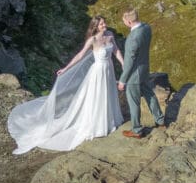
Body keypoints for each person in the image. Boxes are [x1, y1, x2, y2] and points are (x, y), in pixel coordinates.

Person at [7, 15, 125, 154]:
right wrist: (65, 68)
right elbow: (80, 56)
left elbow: (116, 51)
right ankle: (97, 125)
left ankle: (109, 120)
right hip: (98, 72)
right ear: (95, 26)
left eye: (104, 22)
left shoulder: (110, 35)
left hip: (109, 70)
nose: (104, 25)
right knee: (97, 97)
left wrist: (124, 64)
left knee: (107, 95)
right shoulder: (92, 40)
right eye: (101, 24)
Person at [118, 8, 165, 138]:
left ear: (128, 21)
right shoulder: (146, 27)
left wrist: (122, 80)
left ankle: (137, 130)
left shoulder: (133, 38)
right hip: (145, 69)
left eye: (124, 21)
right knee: (150, 95)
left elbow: (128, 62)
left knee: (134, 102)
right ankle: (160, 120)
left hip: (134, 74)